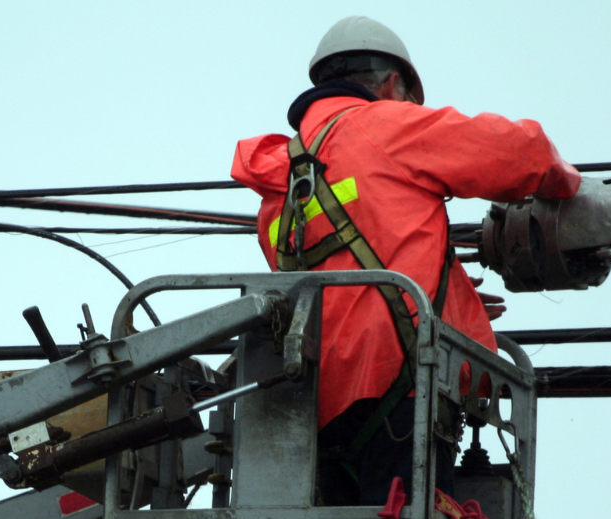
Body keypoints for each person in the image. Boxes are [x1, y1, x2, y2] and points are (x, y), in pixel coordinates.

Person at [229, 16, 583, 506]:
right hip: (401, 391)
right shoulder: (387, 125)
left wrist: (455, 300)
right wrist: (578, 191)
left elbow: (337, 276)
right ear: (393, 84)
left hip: (313, 410)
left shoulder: (279, 183)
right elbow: (525, 153)